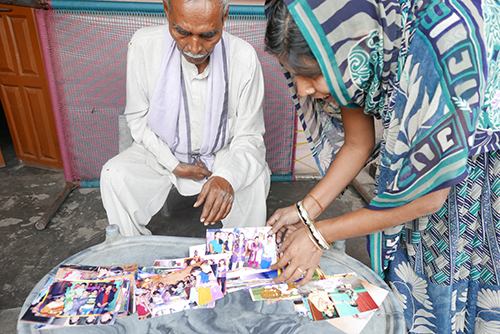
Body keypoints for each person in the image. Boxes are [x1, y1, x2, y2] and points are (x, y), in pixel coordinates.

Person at [264, 0, 500, 332]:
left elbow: (429, 198)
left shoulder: (441, 34)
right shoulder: (359, 40)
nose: (303, 90)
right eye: (294, 76)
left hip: (472, 186)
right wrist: (305, 211)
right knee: (409, 294)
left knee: (454, 304)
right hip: (410, 190)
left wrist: (319, 234)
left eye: (311, 75)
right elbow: (357, 142)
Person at [100, 0, 271, 237]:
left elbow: (249, 136)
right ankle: (134, 255)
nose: (194, 47)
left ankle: (240, 261)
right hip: (162, 151)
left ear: (224, 18)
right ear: (166, 11)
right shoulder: (143, 46)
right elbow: (137, 119)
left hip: (223, 154)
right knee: (114, 175)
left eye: (208, 35)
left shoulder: (243, 58)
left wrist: (226, 176)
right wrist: (172, 164)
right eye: (181, 32)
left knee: (255, 180)